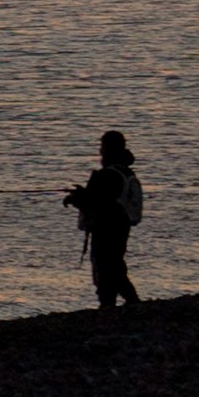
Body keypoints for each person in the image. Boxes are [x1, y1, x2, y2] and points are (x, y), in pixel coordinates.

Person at [65, 129, 143, 307]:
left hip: (107, 227)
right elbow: (100, 198)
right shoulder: (125, 172)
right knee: (113, 265)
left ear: (109, 150)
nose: (100, 152)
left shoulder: (109, 175)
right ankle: (123, 303)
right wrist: (81, 196)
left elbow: (97, 201)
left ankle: (117, 303)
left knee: (107, 266)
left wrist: (75, 199)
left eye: (102, 147)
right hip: (120, 226)